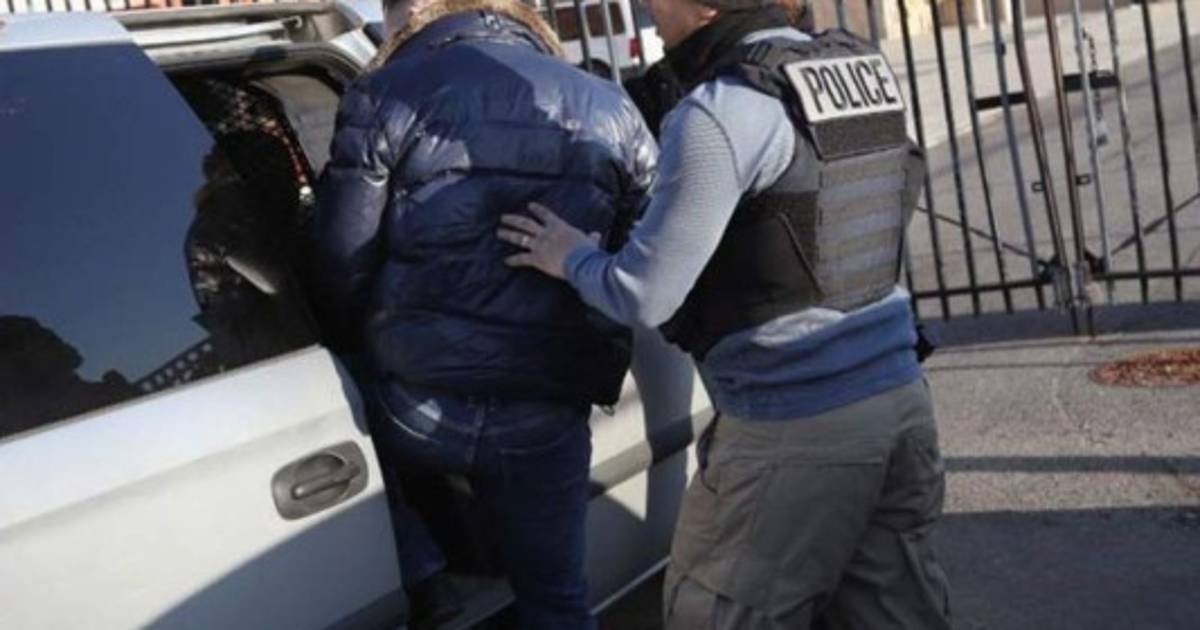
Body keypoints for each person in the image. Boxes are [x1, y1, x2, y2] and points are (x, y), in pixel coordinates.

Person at [496, 0, 952, 627]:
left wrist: (570, 255)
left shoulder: (721, 110)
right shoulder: (859, 68)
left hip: (794, 424)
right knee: (891, 614)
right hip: (900, 400)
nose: (647, 9)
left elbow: (643, 293)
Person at [312, 0, 656, 627]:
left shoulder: (384, 92)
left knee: (347, 395)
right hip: (546, 403)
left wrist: (352, 338)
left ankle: (425, 574)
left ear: (413, 17)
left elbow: (343, 259)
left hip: (416, 402)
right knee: (557, 599)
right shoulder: (608, 104)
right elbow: (648, 253)